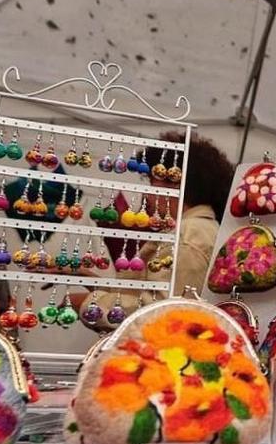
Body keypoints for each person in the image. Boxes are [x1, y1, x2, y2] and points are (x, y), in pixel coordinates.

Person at [74, 131, 232, 318]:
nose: (147, 195)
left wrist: (89, 303)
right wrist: (83, 276)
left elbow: (166, 310)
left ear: (175, 184)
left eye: (152, 184)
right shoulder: (191, 229)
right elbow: (140, 291)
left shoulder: (189, 234)